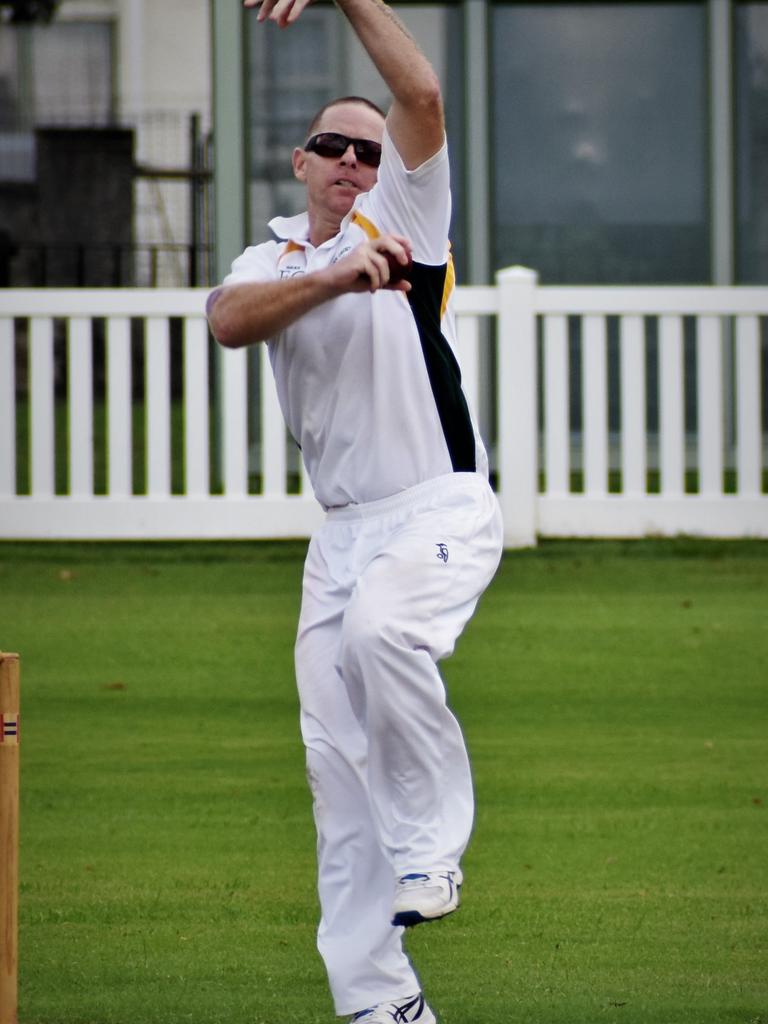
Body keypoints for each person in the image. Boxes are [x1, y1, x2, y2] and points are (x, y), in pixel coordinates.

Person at [207, 0, 504, 1020]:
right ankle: (382, 1004)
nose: (351, 161)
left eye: (369, 151)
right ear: (301, 161)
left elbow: (419, 93)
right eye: (332, 145)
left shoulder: (412, 220)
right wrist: (334, 277)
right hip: (338, 538)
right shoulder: (278, 257)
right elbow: (228, 321)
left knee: (387, 634)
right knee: (336, 780)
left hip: (438, 507)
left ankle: (434, 852)